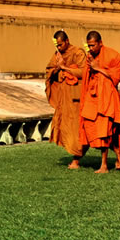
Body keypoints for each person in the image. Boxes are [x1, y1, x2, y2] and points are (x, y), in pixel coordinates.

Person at [77, 30, 120, 173]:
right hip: (93, 98)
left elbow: (116, 78)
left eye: (93, 45)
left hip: (107, 98)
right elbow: (87, 76)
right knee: (95, 128)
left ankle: (104, 165)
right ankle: (119, 156)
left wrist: (98, 68)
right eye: (88, 46)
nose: (90, 49)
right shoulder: (90, 57)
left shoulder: (114, 56)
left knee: (105, 131)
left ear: (100, 43)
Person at [45, 30, 87, 165]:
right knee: (64, 126)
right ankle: (75, 156)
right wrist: (57, 68)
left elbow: (83, 72)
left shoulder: (78, 53)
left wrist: (65, 68)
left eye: (61, 44)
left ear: (67, 41)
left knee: (76, 128)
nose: (59, 47)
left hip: (76, 97)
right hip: (64, 98)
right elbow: (49, 71)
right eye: (57, 45)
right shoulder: (57, 55)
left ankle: (76, 159)